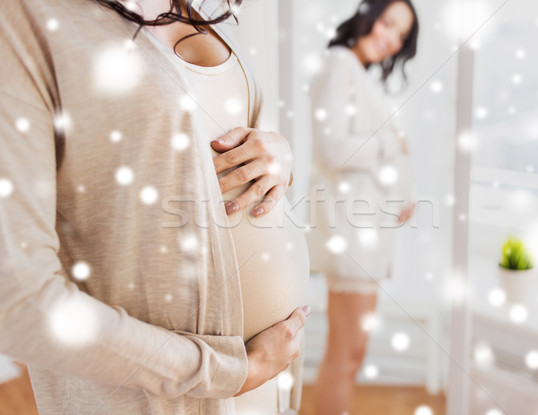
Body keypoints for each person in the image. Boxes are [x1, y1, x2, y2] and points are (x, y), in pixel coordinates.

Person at [0, 0, 308, 414]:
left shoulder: (202, 4)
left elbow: (216, 132)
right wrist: (222, 372)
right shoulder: (24, 16)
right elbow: (18, 301)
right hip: (165, 392)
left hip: (265, 376)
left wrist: (281, 160)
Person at [307, 0, 419, 413]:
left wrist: (400, 198)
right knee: (345, 356)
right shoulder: (339, 64)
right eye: (388, 24)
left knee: (352, 355)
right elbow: (332, 148)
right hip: (352, 236)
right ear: (367, 15)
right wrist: (393, 143)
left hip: (366, 233)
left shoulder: (355, 72)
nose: (391, 39)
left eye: (401, 35)